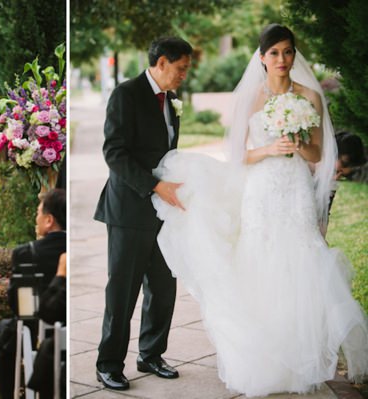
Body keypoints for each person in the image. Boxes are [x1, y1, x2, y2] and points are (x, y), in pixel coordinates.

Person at [152, 24, 368, 397]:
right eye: (274, 53)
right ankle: (266, 358)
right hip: (262, 189)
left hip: (296, 188)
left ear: (294, 55)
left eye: (288, 52)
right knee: (262, 261)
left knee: (304, 260)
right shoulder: (250, 98)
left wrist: (299, 144)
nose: (282, 60)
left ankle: (303, 353)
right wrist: (269, 149)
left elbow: (318, 155)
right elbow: (236, 155)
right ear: (262, 58)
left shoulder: (310, 96)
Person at [93, 36, 192, 391]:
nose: (184, 76)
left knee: (164, 286)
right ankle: (108, 364)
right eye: (180, 69)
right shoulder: (126, 94)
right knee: (123, 290)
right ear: (162, 62)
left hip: (163, 210)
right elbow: (114, 152)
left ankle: (151, 354)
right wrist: (154, 185)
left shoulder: (173, 100)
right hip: (129, 208)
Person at [0, 188, 66, 399]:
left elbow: (18, 306)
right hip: (59, 330)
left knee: (3, 332)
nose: (37, 218)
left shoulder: (26, 252)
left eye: (38, 213)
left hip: (33, 330)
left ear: (49, 220)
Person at [26, 252, 67, 399]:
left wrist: (61, 275)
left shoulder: (30, 252)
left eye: (38, 225)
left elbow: (47, 312)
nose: (37, 226)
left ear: (50, 226)